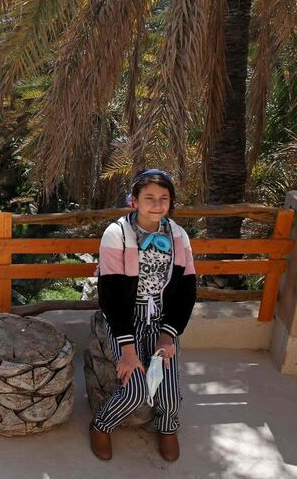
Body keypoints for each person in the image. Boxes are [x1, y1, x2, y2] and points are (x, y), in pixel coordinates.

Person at [89, 169, 197, 461]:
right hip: (126, 318)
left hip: (162, 320)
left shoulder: (177, 235)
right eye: (148, 197)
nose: (157, 204)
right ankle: (101, 425)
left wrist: (168, 335)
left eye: (164, 197)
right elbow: (110, 294)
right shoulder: (117, 234)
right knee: (135, 390)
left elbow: (187, 288)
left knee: (170, 394)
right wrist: (127, 349)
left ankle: (167, 427)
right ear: (134, 200)